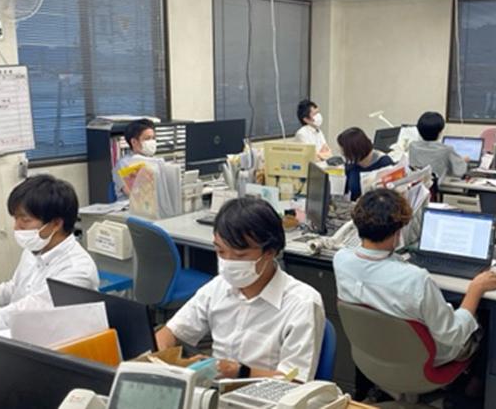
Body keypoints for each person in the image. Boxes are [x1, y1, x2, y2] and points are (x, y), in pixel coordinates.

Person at [155, 198, 325, 382]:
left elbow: (295, 381)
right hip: (216, 390)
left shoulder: (302, 304)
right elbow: (170, 332)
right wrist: (160, 359)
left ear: (270, 252)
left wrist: (239, 372)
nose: (228, 262)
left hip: (267, 395)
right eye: (221, 251)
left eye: (240, 255)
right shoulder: (219, 287)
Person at [333, 188, 496, 367]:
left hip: (374, 352)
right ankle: (471, 382)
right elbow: (453, 334)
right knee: (480, 323)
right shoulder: (416, 279)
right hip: (424, 358)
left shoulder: (341, 260)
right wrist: (475, 289)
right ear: (398, 232)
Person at [0, 175, 99, 332]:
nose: (16, 227)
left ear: (56, 223)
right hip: (24, 332)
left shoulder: (77, 270)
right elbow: (13, 290)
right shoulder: (35, 248)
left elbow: (29, 311)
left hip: (57, 340)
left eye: (25, 220)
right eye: (15, 219)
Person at [337, 127, 394, 201]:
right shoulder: (351, 164)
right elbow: (345, 190)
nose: (342, 153)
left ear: (354, 150)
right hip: (356, 206)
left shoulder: (384, 163)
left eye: (344, 151)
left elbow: (391, 195)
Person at [408, 111, 468, 180]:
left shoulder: (412, 146)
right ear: (440, 132)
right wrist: (463, 161)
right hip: (434, 185)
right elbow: (459, 172)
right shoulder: (446, 149)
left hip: (415, 185)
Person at [112, 118, 159, 200]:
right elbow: (133, 193)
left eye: (153, 138)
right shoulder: (124, 164)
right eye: (147, 139)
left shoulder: (154, 160)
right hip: (130, 205)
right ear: (134, 142)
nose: (152, 142)